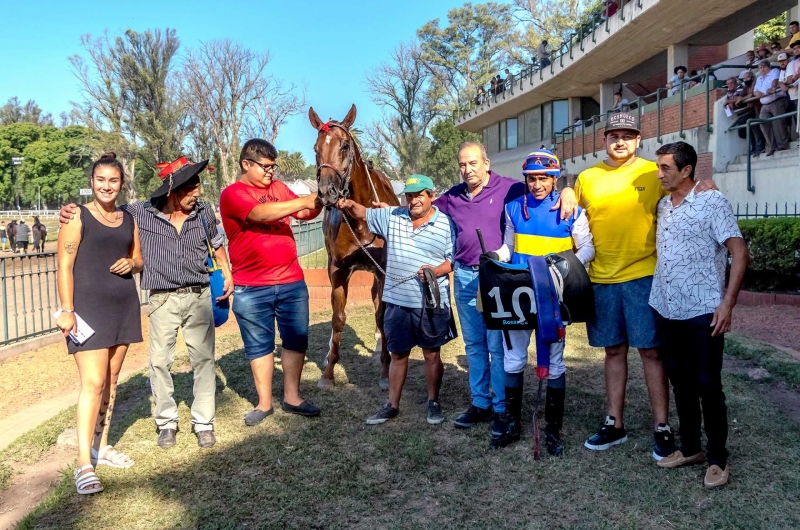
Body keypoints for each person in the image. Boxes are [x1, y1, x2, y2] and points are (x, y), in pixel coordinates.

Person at [59, 156, 233, 450]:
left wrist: (227, 272)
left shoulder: (203, 212)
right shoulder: (141, 212)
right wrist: (72, 210)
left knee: (203, 360)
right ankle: (166, 422)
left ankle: (204, 422)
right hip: (162, 298)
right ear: (172, 191)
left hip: (199, 294)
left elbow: (216, 242)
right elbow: (105, 209)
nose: (197, 193)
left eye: (198, 186)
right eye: (191, 188)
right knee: (159, 362)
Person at [575, 112, 716, 460]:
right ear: (603, 139)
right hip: (602, 277)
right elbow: (573, 216)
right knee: (613, 351)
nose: (620, 140)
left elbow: (683, 187)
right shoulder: (586, 178)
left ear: (639, 140)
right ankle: (615, 422)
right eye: (613, 134)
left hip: (645, 275)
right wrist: (564, 190)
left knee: (652, 352)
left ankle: (662, 426)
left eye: (628, 134)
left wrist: (705, 184)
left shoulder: (651, 172)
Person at [433, 141, 576, 434]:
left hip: (499, 278)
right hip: (464, 276)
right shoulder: (453, 196)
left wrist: (570, 191)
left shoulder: (512, 188)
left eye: (473, 163)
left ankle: (501, 408)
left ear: (486, 163)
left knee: (499, 346)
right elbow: (425, 207)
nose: (467, 169)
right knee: (474, 344)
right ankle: (480, 402)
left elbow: (544, 190)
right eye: (462, 164)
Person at [651, 141, 748, 489]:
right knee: (680, 382)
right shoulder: (663, 205)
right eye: (658, 166)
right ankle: (690, 447)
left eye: (665, 168)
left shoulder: (712, 201)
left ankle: (718, 457)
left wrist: (728, 303)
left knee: (708, 383)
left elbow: (739, 251)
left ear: (687, 170)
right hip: (666, 307)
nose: (659, 173)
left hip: (704, 310)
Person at [486, 150, 594, 453]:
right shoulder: (512, 209)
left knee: (555, 362)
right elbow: (509, 247)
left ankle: (553, 430)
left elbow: (587, 249)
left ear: (554, 178)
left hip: (552, 296)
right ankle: (511, 423)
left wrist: (562, 266)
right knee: (514, 358)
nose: (537, 184)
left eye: (543, 178)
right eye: (532, 179)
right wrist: (495, 257)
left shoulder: (572, 211)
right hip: (517, 294)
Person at [56, 152, 144, 495]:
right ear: (92, 183)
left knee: (111, 381)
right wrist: (66, 309)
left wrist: (131, 264)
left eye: (114, 180)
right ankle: (82, 463)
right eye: (101, 180)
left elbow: (139, 258)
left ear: (121, 184)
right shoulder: (77, 216)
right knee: (92, 382)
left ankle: (101, 445)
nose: (107, 186)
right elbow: (64, 265)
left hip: (123, 305)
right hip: (87, 311)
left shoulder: (128, 218)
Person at [336, 174, 456, 426]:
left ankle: (433, 402)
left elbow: (452, 259)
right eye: (409, 196)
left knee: (431, 355)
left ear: (431, 196)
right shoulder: (393, 217)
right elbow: (363, 213)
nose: (413, 201)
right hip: (397, 302)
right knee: (397, 354)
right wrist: (347, 204)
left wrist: (435, 271)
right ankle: (392, 404)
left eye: (419, 195)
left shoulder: (445, 223)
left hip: (430, 303)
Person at [220, 138, 322, 426]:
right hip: (252, 287)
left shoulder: (278, 189)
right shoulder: (232, 194)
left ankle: (292, 397)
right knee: (259, 345)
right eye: (265, 167)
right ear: (246, 164)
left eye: (273, 167)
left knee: (295, 340)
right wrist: (303, 200)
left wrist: (320, 199)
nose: (271, 173)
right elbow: (259, 214)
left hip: (291, 281)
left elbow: (304, 212)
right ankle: (264, 403)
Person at [754, 60, 790, 155]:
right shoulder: (759, 78)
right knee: (763, 123)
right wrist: (756, 93)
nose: (763, 69)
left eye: (764, 67)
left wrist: (772, 87)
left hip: (776, 101)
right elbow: (755, 90)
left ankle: (782, 145)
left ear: (768, 66)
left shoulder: (774, 71)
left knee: (779, 123)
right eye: (760, 68)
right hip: (764, 105)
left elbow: (775, 81)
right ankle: (772, 146)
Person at [730, 71, 766, 156]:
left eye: (747, 78)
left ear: (752, 77)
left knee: (758, 127)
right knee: (753, 128)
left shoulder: (756, 83)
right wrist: (740, 99)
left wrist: (742, 99)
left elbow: (751, 95)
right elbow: (741, 96)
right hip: (756, 110)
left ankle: (760, 147)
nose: (746, 80)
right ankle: (757, 148)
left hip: (761, 108)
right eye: (744, 78)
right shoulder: (746, 86)